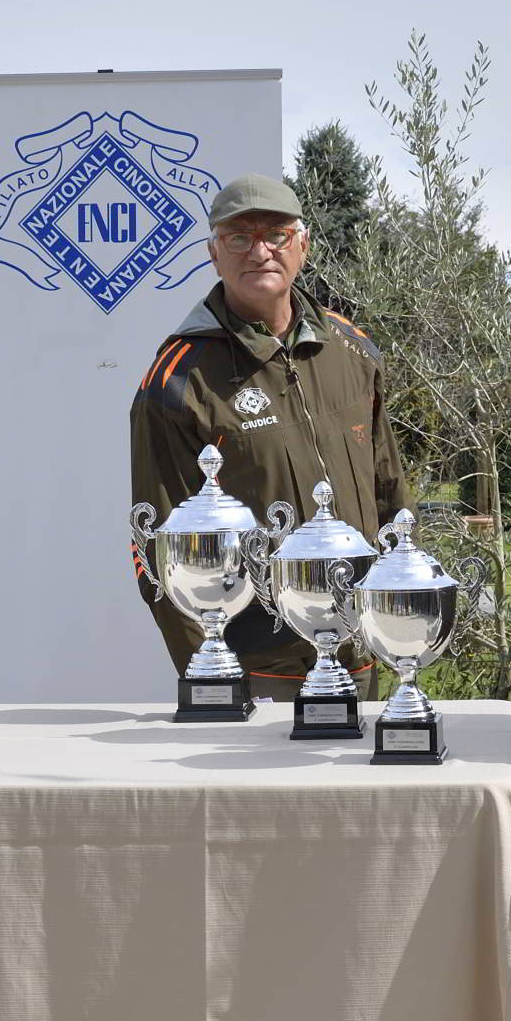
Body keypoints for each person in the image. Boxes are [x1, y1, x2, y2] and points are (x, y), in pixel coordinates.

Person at [129, 173, 409, 699]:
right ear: (214, 253)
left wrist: (399, 630)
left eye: (276, 235)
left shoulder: (352, 351)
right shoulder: (179, 380)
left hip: (360, 652)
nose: (260, 252)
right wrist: (214, 681)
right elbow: (156, 547)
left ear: (302, 245)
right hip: (258, 667)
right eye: (239, 238)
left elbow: (389, 493)